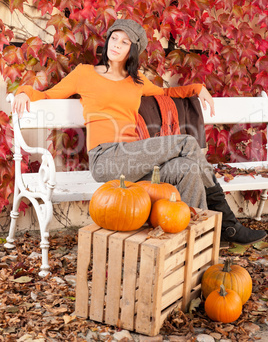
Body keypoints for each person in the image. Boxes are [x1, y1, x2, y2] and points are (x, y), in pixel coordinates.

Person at [13, 19, 266, 245]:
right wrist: (24, 90)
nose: (116, 45)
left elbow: (166, 93)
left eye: (124, 42)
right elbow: (47, 94)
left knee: (188, 170)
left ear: (131, 50)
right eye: (114, 38)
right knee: (187, 143)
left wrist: (197, 88)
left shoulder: (136, 81)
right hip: (106, 159)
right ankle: (229, 225)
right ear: (108, 39)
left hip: (136, 159)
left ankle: (193, 244)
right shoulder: (84, 73)